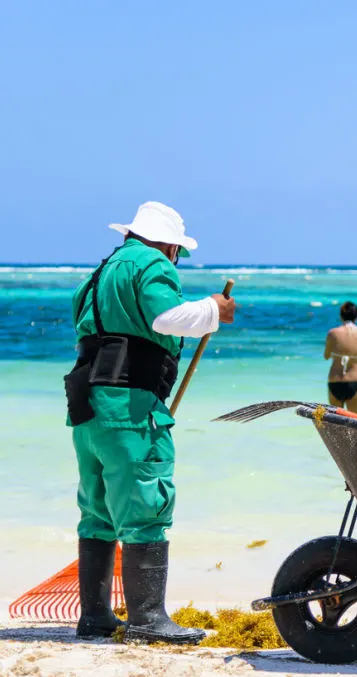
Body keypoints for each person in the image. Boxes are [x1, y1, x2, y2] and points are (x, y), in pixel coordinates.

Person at [65, 201, 236, 645]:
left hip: (87, 405)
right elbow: (168, 317)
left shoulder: (100, 272)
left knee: (98, 509)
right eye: (177, 250)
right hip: (129, 407)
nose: (175, 257)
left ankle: (96, 617)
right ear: (166, 244)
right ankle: (147, 618)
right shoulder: (153, 264)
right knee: (147, 505)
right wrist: (214, 310)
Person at [324, 301, 357, 413]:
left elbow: (326, 356)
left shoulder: (333, 333)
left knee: (335, 422)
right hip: (355, 380)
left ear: (341, 315)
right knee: (354, 422)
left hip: (335, 380)